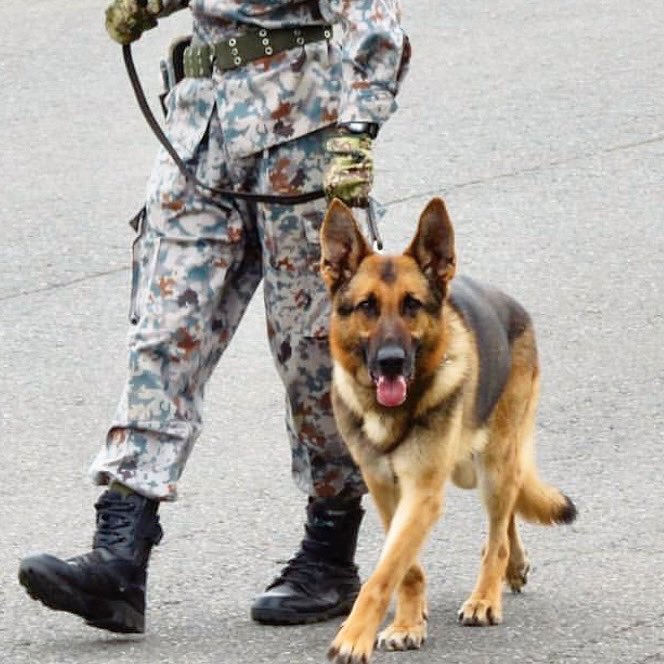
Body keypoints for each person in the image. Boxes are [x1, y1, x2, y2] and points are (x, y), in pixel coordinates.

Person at [18, 0, 410, 634]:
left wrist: (358, 133)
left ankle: (330, 552)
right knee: (164, 331)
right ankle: (120, 551)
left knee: (317, 355)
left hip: (304, 139)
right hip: (200, 135)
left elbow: (375, 21)